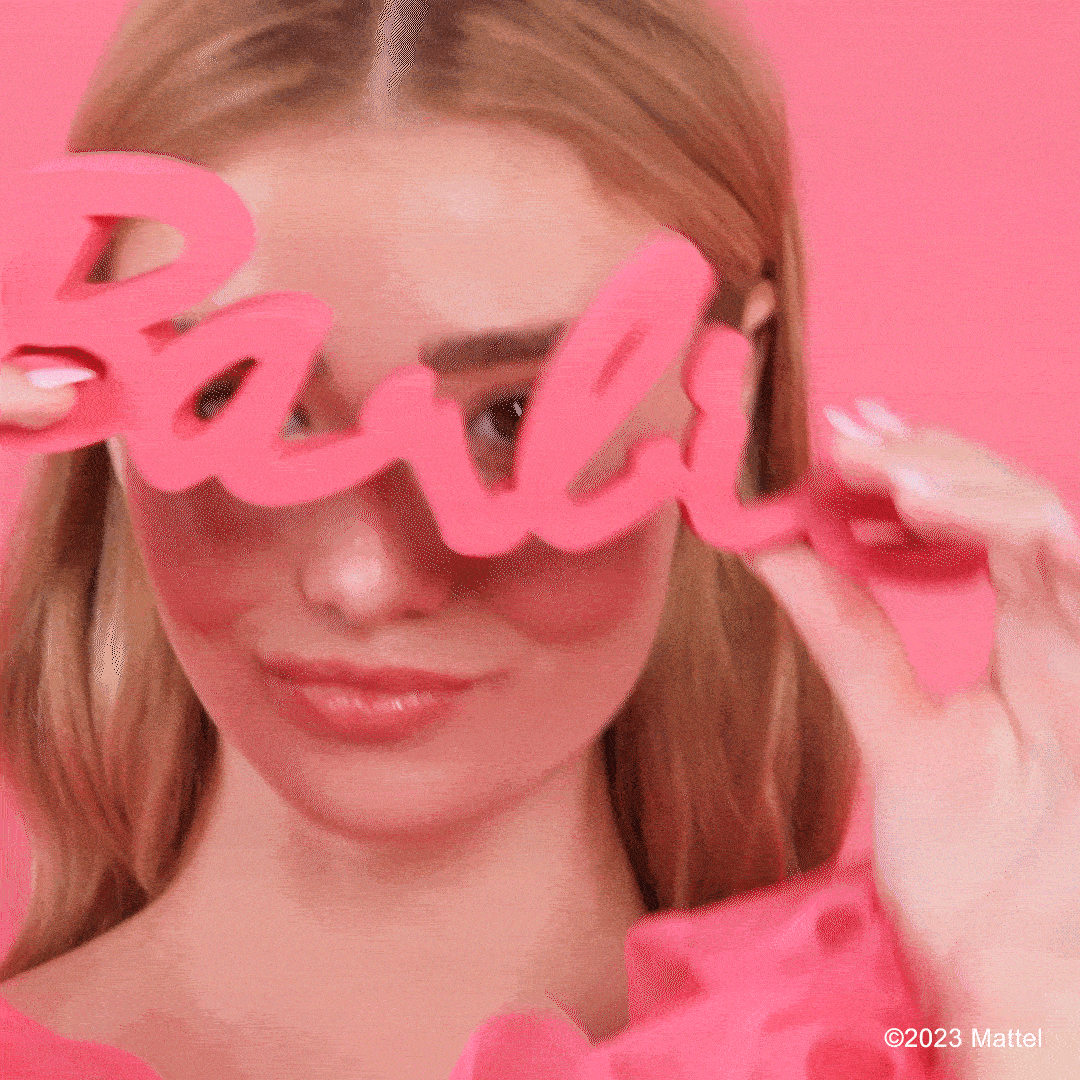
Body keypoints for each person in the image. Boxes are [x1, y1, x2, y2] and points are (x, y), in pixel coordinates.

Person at [1, 1, 1078, 1078]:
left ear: (729, 388)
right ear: (93, 396)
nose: (365, 579)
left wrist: (1022, 1008)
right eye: (239, 395)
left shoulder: (968, 1031)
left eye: (513, 418)